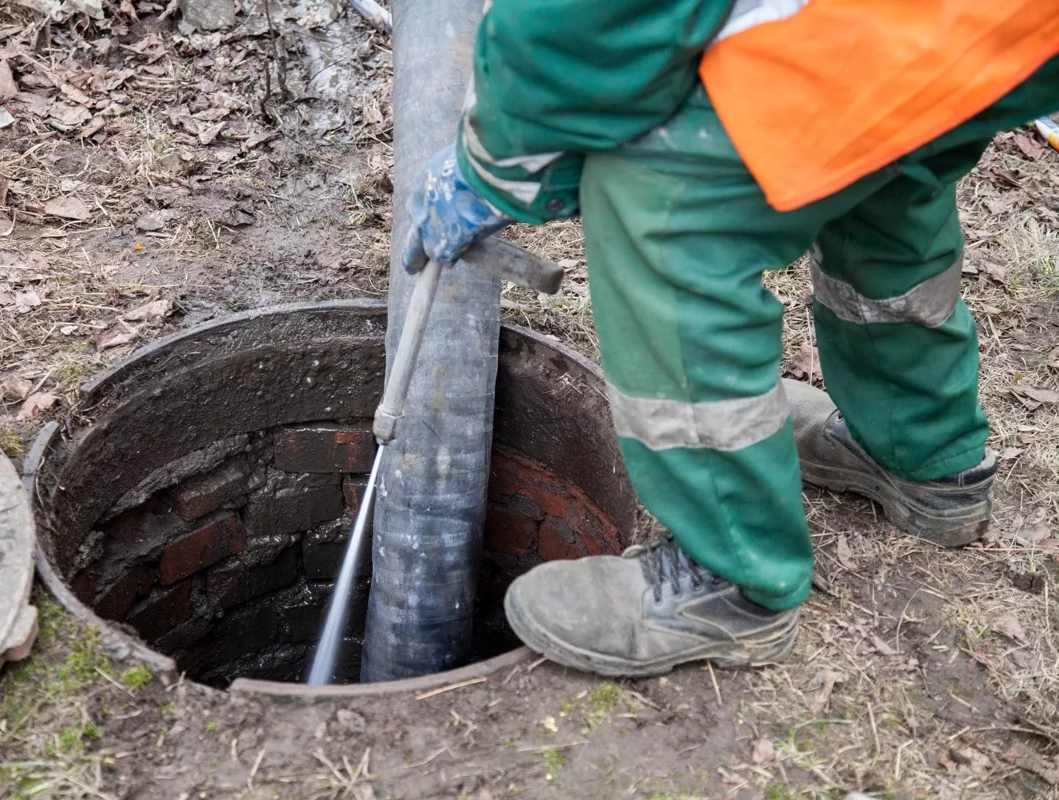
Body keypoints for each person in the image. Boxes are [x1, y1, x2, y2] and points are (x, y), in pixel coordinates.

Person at [401, 0, 1059, 676]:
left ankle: (732, 579)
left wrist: (496, 165)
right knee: (889, 163)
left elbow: (587, 19)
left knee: (657, 199)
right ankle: (922, 452)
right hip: (1006, 25)